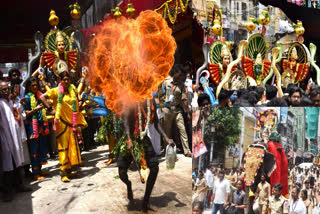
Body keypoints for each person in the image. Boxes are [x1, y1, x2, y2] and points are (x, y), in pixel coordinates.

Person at [117, 98, 174, 212]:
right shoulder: (131, 97)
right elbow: (126, 120)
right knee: (122, 172)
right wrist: (128, 139)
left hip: (143, 138)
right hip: (129, 138)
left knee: (154, 168)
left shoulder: (150, 101)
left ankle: (146, 201)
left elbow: (156, 124)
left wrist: (166, 137)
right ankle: (128, 185)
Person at [40, 69, 87, 182]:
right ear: (60, 80)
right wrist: (50, 109)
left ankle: (69, 171)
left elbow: (78, 98)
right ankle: (63, 173)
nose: (66, 81)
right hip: (61, 123)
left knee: (72, 146)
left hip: (72, 123)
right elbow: (42, 97)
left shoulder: (73, 89)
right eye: (64, 80)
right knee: (63, 147)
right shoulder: (56, 91)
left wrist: (80, 102)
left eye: (68, 79)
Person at [0, 80, 32, 202]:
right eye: (4, 89)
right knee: (8, 165)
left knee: (17, 162)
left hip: (15, 137)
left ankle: (19, 185)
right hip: (5, 138)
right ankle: (7, 192)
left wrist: (16, 101)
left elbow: (18, 114)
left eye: (7, 89)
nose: (7, 91)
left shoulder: (10, 102)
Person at [161, 66, 192, 157]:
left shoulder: (181, 85)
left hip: (177, 110)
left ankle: (187, 151)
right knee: (167, 131)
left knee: (182, 129)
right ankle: (165, 149)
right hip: (167, 110)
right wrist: (162, 107)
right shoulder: (165, 82)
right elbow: (160, 94)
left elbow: (184, 100)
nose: (179, 78)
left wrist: (187, 112)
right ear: (174, 74)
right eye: (178, 75)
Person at [23, 77, 48, 181]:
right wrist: (35, 110)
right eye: (32, 85)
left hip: (41, 125)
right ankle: (35, 173)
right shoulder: (27, 97)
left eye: (36, 85)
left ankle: (40, 169)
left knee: (41, 148)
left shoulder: (39, 95)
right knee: (34, 150)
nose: (35, 87)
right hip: (32, 127)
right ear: (29, 87)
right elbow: (25, 113)